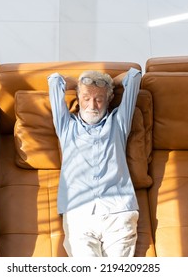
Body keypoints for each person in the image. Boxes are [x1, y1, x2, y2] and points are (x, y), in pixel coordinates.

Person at [48, 67, 141, 257]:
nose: (92, 105)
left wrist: (107, 84)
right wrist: (83, 82)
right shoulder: (67, 127)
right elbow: (54, 80)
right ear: (79, 98)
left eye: (99, 99)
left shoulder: (119, 123)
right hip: (78, 213)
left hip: (118, 211)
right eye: (86, 98)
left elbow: (134, 76)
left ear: (108, 101)